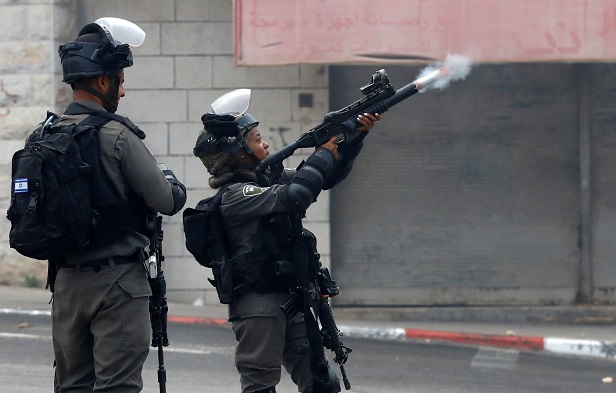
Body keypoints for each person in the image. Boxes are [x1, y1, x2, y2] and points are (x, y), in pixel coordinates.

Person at [192, 89, 380, 393]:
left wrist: (352, 139)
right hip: (259, 307)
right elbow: (298, 194)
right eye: (256, 139)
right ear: (239, 153)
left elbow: (321, 178)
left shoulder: (267, 181)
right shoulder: (236, 196)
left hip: (291, 300)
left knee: (321, 382)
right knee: (261, 386)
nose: (265, 143)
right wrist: (322, 152)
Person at [48, 18, 186, 392]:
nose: (122, 92)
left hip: (64, 284)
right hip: (116, 284)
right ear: (104, 81)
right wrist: (172, 180)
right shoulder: (117, 136)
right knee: (117, 387)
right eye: (120, 80)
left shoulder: (44, 136)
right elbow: (166, 200)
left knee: (72, 386)